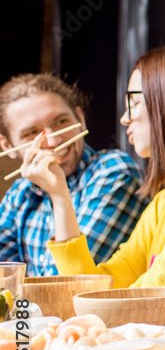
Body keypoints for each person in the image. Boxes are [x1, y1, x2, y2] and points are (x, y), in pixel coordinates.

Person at [43, 45, 165, 287]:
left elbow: (164, 287)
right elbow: (91, 288)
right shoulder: (162, 204)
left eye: (134, 103)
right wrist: (59, 195)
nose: (124, 118)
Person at [0, 74, 145, 277]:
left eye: (61, 121)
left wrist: (58, 195)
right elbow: (5, 277)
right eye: (32, 133)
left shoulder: (114, 173)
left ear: (80, 119)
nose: (53, 140)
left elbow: (66, 283)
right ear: (7, 146)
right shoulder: (20, 193)